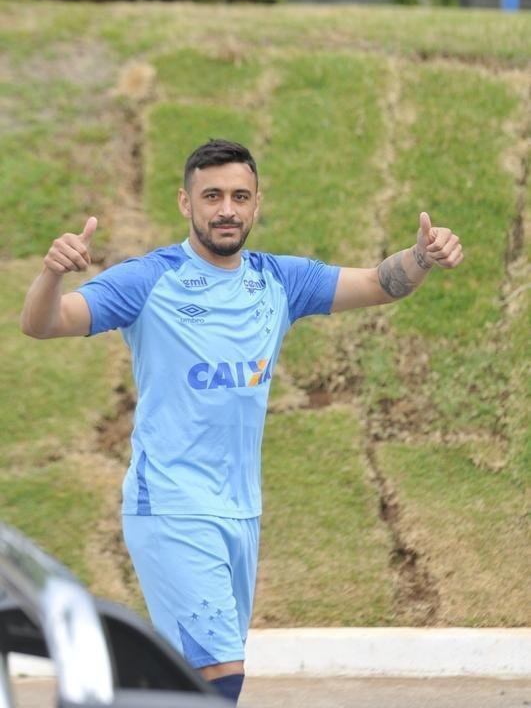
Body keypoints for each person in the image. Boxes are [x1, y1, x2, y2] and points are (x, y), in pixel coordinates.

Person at [21, 138, 463, 703]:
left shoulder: (279, 280)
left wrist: (422, 257)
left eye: (239, 196)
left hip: (240, 510)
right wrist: (52, 274)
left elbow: (380, 282)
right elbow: (47, 322)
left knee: (192, 679)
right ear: (186, 203)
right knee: (219, 680)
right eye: (212, 196)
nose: (226, 209)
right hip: (173, 506)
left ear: (256, 205)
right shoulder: (148, 279)